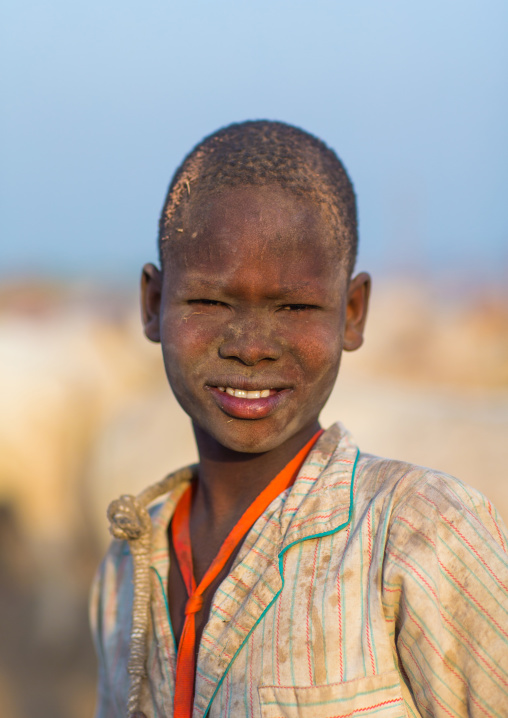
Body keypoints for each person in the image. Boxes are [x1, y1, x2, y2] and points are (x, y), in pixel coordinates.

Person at [90, 120, 508, 718]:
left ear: (353, 313)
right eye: (208, 301)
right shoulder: (129, 561)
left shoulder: (420, 537)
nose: (251, 346)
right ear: (154, 304)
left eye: (296, 306)